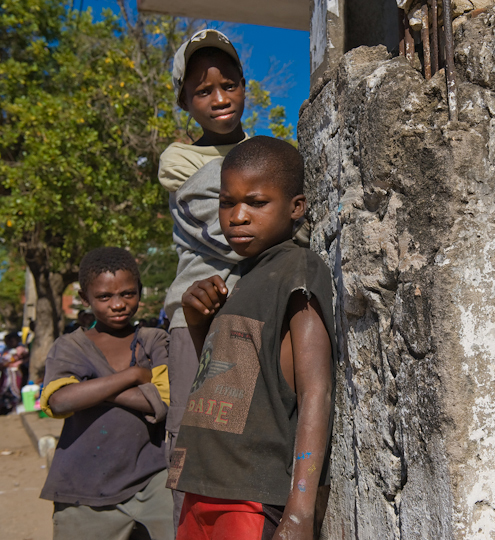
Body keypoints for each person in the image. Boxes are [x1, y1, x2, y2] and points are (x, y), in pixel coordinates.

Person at [167, 136, 336, 539]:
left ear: (296, 207)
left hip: (252, 496)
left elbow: (317, 390)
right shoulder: (241, 280)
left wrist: (299, 512)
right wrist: (196, 320)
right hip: (203, 487)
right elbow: (224, 378)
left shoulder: (299, 269)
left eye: (256, 203)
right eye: (227, 202)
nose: (237, 216)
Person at [158, 28, 249, 525]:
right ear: (184, 101)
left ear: (243, 86)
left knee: (247, 438)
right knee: (192, 439)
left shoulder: (264, 149)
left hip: (254, 308)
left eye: (228, 84)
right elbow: (239, 233)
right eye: (202, 90)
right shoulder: (181, 160)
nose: (219, 99)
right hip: (196, 317)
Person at [38, 247, 173, 540]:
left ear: (140, 291)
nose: (118, 304)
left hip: (153, 479)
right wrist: (134, 376)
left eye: (128, 293)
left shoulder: (154, 340)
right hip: (82, 487)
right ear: (85, 299)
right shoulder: (69, 347)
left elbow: (163, 402)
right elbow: (59, 401)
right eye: (104, 297)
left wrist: (90, 387)